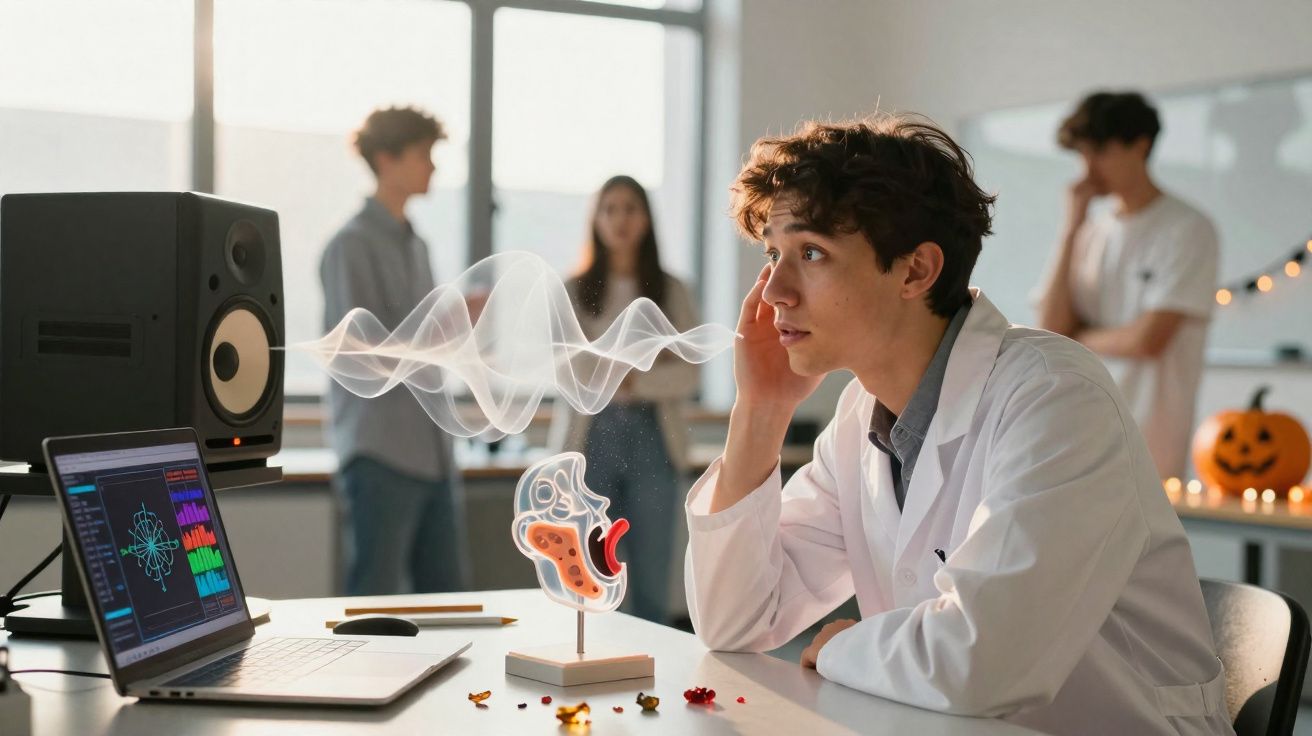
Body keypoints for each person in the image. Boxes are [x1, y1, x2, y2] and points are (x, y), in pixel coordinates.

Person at [683, 114, 1232, 735]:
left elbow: (982, 663)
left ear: (915, 271)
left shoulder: (1055, 398)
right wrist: (761, 409)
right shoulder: (860, 419)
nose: (774, 291)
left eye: (811, 253)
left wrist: (840, 645)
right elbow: (735, 622)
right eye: (773, 255)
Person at [320, 106, 470, 596]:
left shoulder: (417, 246)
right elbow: (362, 358)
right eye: (424, 154)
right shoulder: (350, 246)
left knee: (448, 602)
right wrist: (445, 321)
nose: (433, 166)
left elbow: (426, 346)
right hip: (380, 452)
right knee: (373, 603)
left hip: (432, 452)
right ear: (387, 159)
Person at [1036, 91, 1219, 480]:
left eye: (1100, 150)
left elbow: (1148, 341)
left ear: (1141, 145)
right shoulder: (1089, 232)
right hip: (1075, 430)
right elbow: (1050, 327)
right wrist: (1071, 227)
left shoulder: (1187, 229)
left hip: (1150, 442)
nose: (1087, 169)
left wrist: (1077, 334)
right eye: (1081, 154)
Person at [549, 175, 700, 623]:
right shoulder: (574, 289)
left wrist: (631, 380)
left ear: (647, 219)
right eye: (610, 209)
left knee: (653, 571)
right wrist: (638, 368)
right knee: (594, 575)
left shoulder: (671, 290)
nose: (620, 219)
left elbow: (689, 373)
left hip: (654, 438)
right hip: (591, 437)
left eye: (630, 208)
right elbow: (568, 371)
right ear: (595, 219)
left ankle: (655, 680)